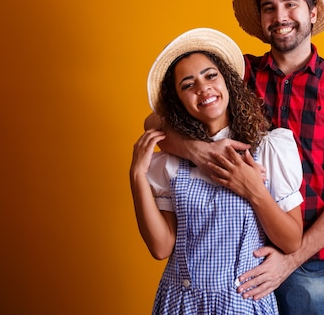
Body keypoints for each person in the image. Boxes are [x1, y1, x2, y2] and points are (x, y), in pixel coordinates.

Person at [145, 0, 324, 315]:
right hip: (231, 254)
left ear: (312, 13)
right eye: (269, 8)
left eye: (290, 5)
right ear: (262, 20)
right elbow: (155, 122)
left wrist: (290, 259)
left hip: (309, 261)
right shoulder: (235, 74)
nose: (280, 16)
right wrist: (199, 151)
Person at [129, 27, 304, 315]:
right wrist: (137, 177)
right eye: (188, 84)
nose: (203, 88)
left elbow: (291, 240)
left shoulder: (268, 147)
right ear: (177, 100)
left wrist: (253, 189)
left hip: (243, 304)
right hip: (181, 304)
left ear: (227, 81)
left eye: (210, 75)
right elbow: (161, 248)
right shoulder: (171, 161)